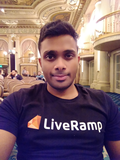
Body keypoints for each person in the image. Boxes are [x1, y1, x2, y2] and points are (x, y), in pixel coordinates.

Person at [0, 20, 120, 160]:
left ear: (77, 60)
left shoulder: (103, 101)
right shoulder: (17, 102)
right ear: (41, 63)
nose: (60, 65)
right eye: (50, 56)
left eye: (68, 55)